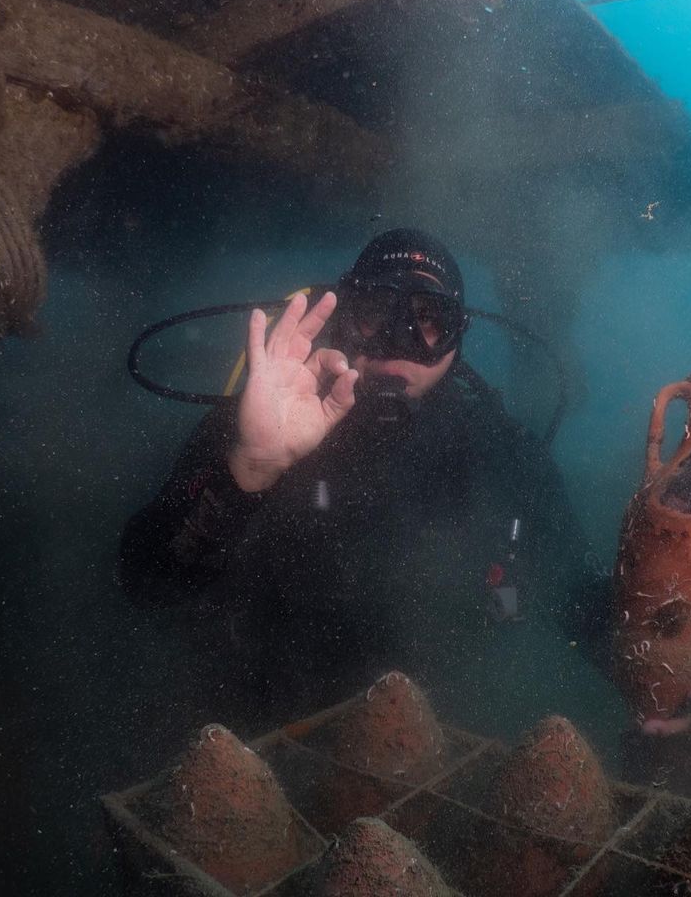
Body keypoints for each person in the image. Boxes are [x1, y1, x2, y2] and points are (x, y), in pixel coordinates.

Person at [120, 229, 611, 730]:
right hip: (256, 721)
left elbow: (577, 591)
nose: (398, 339)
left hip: (436, 736)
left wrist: (657, 670)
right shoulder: (260, 425)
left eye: (428, 319)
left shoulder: (503, 452)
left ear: (458, 335)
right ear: (345, 320)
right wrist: (250, 469)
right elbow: (148, 584)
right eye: (376, 310)